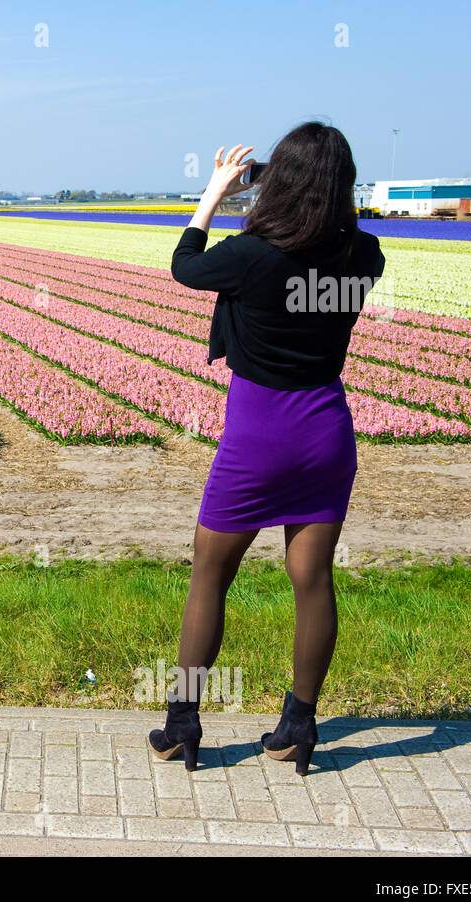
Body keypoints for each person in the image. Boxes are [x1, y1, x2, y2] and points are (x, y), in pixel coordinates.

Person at [147, 122, 385, 775]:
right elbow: (329, 229)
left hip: (258, 437)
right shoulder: (365, 256)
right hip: (326, 433)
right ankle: (297, 728)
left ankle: (182, 723)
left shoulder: (252, 256)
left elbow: (184, 264)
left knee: (210, 576)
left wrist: (216, 192)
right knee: (312, 583)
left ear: (279, 183)